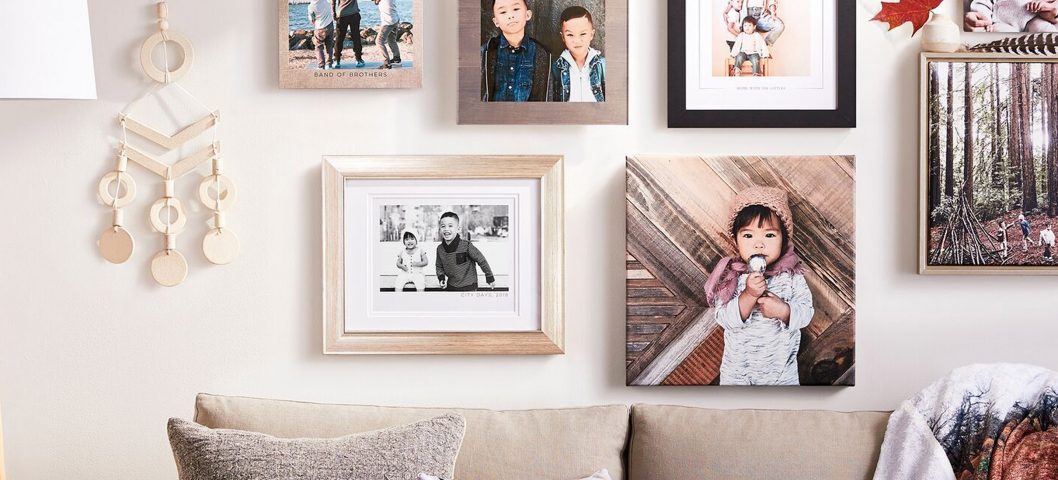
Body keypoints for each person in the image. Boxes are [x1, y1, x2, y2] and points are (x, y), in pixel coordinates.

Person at [703, 186, 815, 386]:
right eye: (748, 236)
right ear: (736, 240)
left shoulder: (791, 276)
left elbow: (806, 314)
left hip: (782, 375)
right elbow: (724, 318)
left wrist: (783, 311)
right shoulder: (731, 277)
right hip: (737, 375)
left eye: (769, 235)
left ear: (784, 239)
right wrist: (748, 295)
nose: (759, 244)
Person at [480, 0, 553, 102]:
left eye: (516, 9)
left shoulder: (541, 54)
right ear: (496, 21)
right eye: (503, 12)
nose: (510, 16)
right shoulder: (485, 52)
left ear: (528, 14)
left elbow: (545, 98)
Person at [550, 6, 605, 102]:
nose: (577, 40)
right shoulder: (555, 67)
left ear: (591, 34)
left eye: (583, 34)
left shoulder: (602, 65)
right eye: (570, 35)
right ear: (562, 37)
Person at [435, 212, 496, 291]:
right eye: (443, 226)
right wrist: (441, 278)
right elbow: (439, 266)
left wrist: (489, 277)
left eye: (450, 226)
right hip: (451, 286)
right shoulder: (440, 249)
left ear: (458, 229)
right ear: (440, 229)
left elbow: (481, 260)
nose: (446, 229)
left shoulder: (466, 246)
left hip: (469, 286)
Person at [966, 0, 1058, 32]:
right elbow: (981, 3)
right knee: (998, 32)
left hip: (1034, 19)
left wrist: (1051, 7)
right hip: (1001, 21)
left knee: (1044, 30)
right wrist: (985, 20)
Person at [332, 0, 365, 68]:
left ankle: (337, 60)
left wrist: (334, 12)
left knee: (339, 38)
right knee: (356, 37)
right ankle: (358, 59)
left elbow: (333, 2)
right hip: (354, 13)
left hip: (342, 14)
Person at [373, 0, 402, 69]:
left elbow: (376, 2)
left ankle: (386, 63)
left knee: (379, 41)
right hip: (395, 19)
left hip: (388, 22)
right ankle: (396, 58)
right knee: (391, 40)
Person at [307, 0, 335, 69]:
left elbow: (312, 20)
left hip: (320, 28)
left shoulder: (311, 6)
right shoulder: (325, 1)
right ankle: (329, 65)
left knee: (318, 47)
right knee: (329, 45)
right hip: (330, 25)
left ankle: (321, 66)